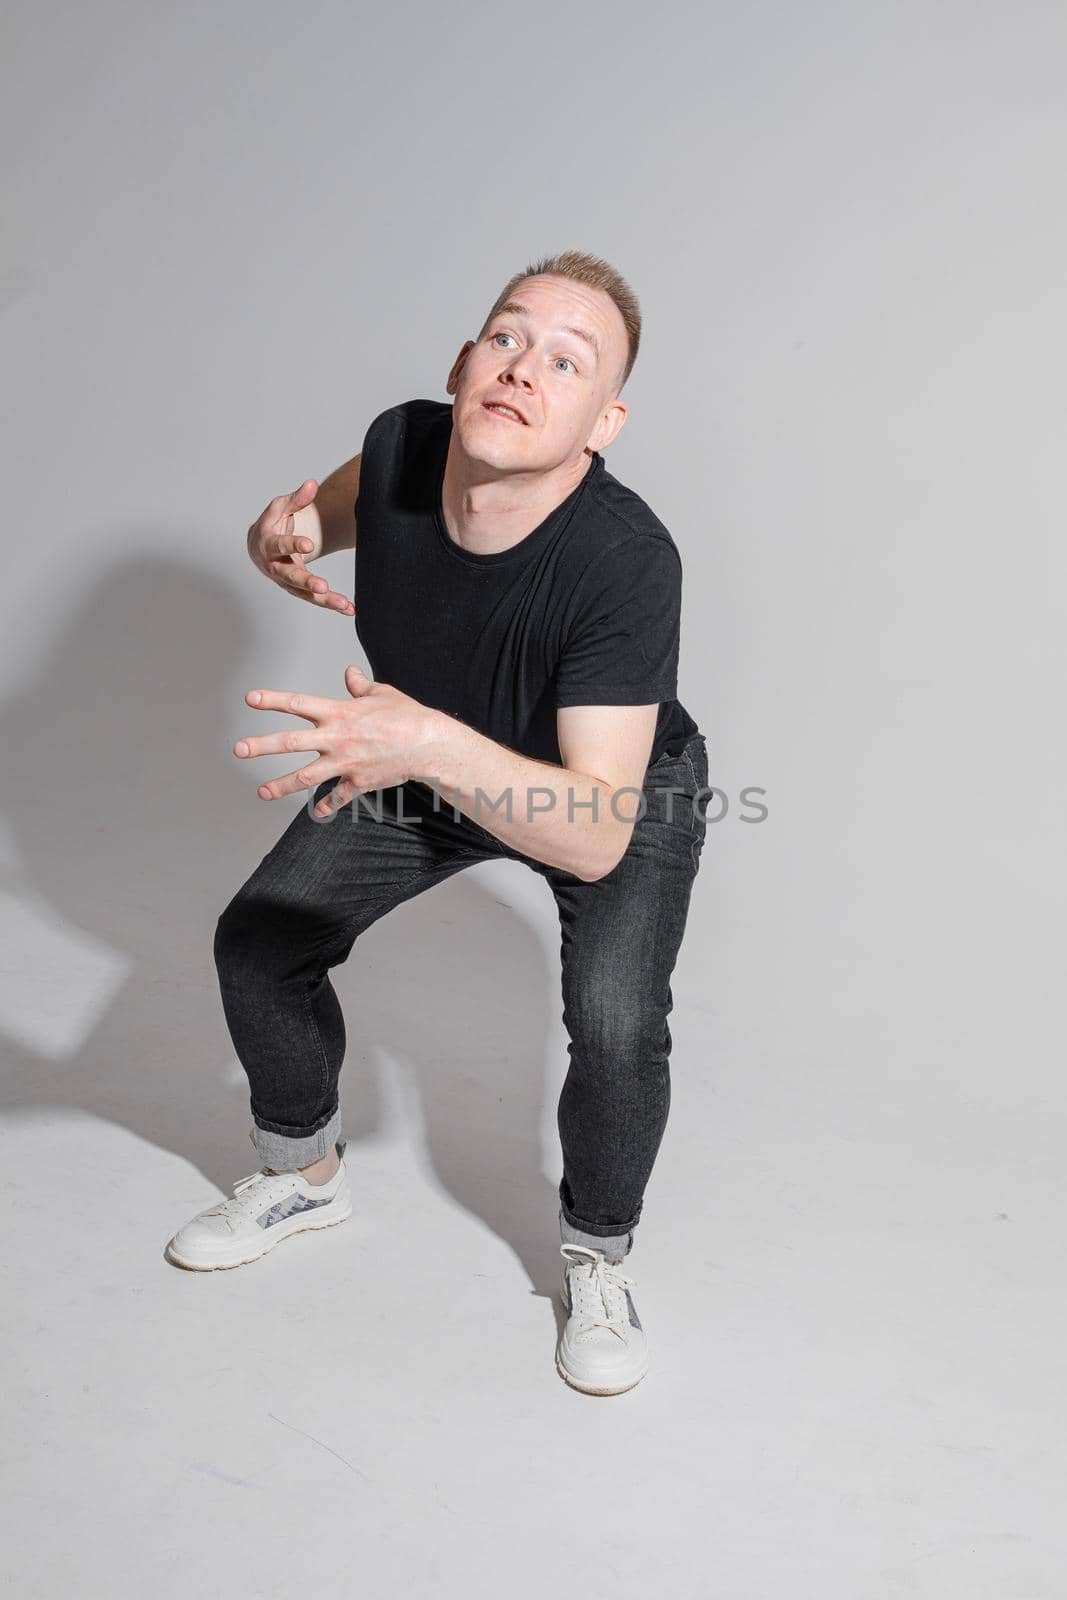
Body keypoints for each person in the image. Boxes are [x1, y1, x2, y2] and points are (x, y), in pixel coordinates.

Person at [165, 249, 709, 1397]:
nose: (523, 369)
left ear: (601, 420)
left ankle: (596, 1254)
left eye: (567, 361)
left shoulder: (625, 562)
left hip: (595, 787)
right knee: (261, 937)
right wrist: (283, 539)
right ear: (465, 363)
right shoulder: (406, 442)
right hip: (424, 740)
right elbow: (306, 521)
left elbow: (597, 835)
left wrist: (429, 749)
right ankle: (301, 1175)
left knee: (615, 1025)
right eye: (507, 338)